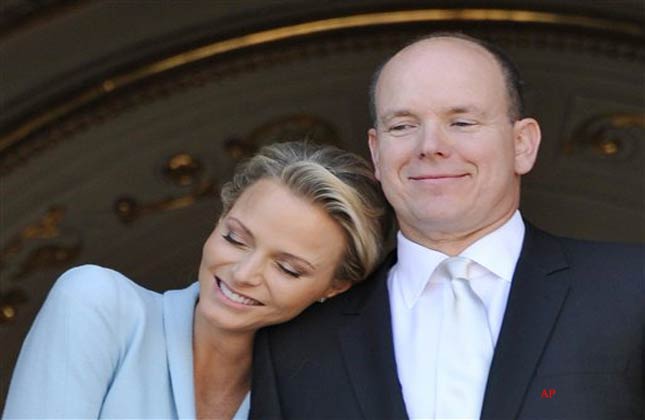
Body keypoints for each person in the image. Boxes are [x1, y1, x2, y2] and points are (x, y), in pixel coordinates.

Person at [250, 33, 644, 420]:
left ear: (522, 144)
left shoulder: (631, 290)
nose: (430, 145)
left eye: (462, 121)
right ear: (375, 151)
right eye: (403, 126)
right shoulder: (294, 342)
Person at [2, 141, 389, 419]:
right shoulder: (98, 303)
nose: (243, 274)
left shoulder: (319, 393)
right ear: (220, 218)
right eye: (235, 238)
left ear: (335, 287)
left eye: (287, 268)